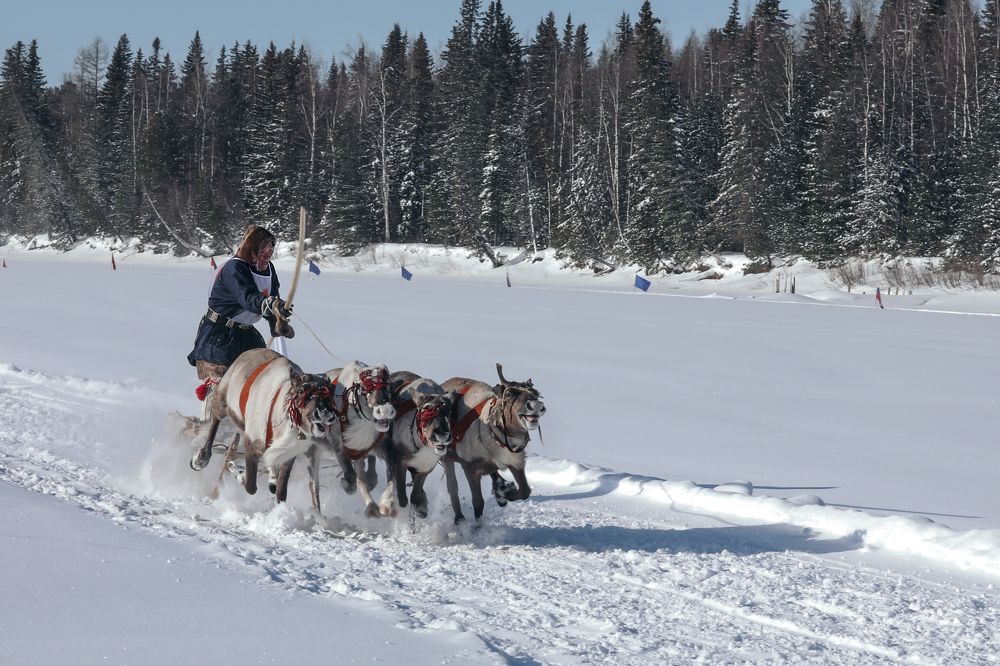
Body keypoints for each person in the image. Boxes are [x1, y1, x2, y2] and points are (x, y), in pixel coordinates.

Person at [187, 225, 295, 393]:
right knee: (220, 393)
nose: (268, 254)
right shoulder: (234, 268)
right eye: (263, 251)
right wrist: (269, 304)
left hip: (246, 335)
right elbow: (248, 298)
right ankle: (210, 418)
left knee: (261, 381)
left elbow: (271, 296)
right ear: (252, 249)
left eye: (270, 251)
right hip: (219, 336)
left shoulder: (269, 269)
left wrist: (277, 318)